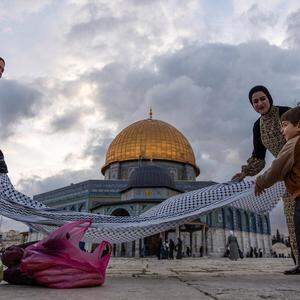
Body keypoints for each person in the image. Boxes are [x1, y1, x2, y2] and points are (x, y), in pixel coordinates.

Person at [231, 85, 298, 268]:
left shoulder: (287, 113)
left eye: (262, 99)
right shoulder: (257, 127)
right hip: (286, 175)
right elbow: (259, 158)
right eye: (255, 101)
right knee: (292, 217)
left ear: (269, 98)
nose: (260, 103)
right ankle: (299, 262)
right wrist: (245, 172)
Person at [255, 106, 300, 274]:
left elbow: (277, 168)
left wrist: (260, 182)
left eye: (285, 125)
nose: (281, 130)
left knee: (298, 229)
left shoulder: (293, 143)